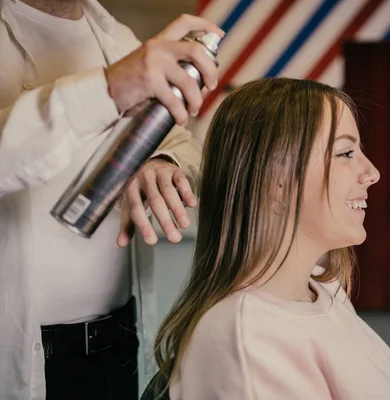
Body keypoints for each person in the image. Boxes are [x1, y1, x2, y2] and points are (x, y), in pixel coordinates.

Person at [0, 0, 224, 399]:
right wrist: (109, 88)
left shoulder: (118, 38)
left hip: (112, 349)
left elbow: (180, 141)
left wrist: (160, 158)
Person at [150, 78, 390, 399]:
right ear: (276, 180)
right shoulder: (246, 339)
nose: (372, 172)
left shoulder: (323, 285)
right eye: (346, 153)